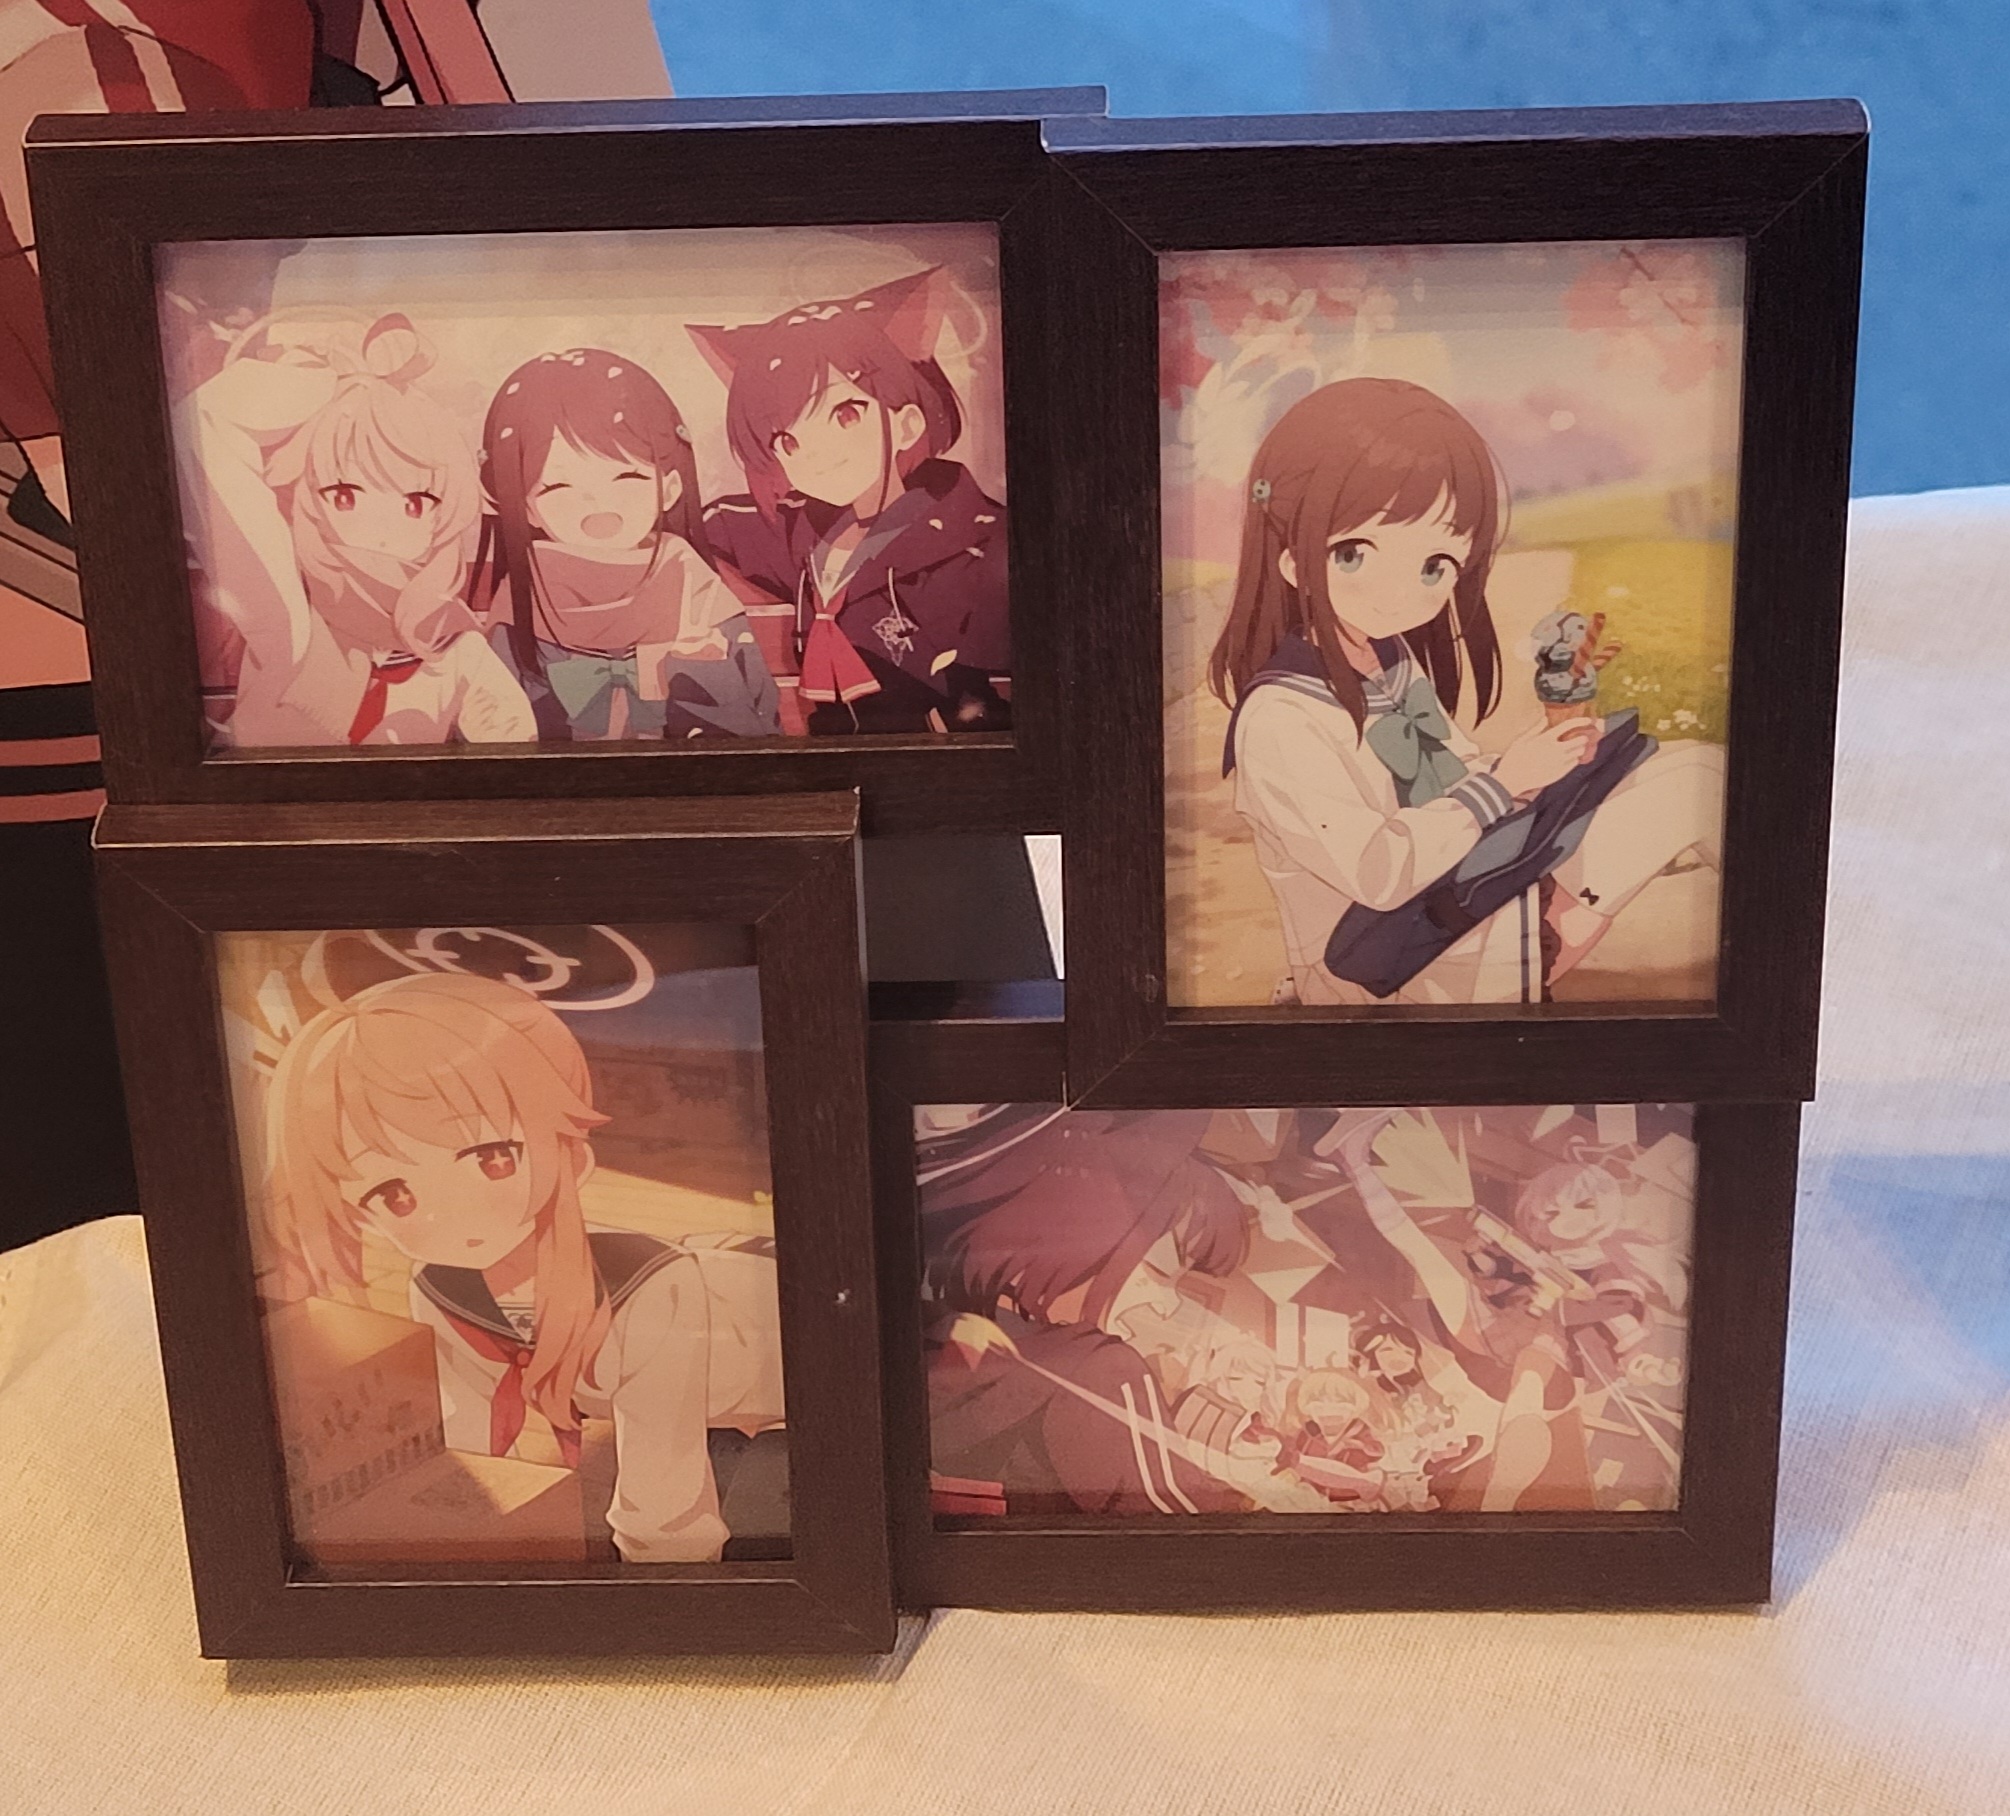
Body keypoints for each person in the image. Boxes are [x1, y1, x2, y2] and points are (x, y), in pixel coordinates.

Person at [1210, 377, 1724, 1006]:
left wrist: (1542, 765)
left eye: (1435, 567)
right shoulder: (1282, 717)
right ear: (1294, 561)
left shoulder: (1388, 661)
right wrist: (1504, 784)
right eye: (1353, 555)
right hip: (1381, 962)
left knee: (1693, 769)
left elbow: (1457, 772)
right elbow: (1378, 872)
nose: (1402, 593)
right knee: (1690, 794)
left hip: (1455, 896)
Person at [260, 967, 784, 1564]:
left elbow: (668, 1510)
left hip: (785, 1353)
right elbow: (470, 1437)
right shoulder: (439, 1286)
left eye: (493, 1158)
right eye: (393, 1194)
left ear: (572, 1156)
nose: (454, 1212)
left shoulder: (651, 1290)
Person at [179, 312, 535, 746]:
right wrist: (327, 383)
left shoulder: (456, 647)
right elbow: (202, 422)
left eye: (415, 504)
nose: (381, 526)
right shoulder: (290, 616)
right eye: (345, 495)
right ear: (309, 500)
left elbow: (519, 757)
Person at [691, 267, 1008, 735]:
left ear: (908, 423)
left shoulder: (977, 542)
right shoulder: (794, 530)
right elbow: (705, 532)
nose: (815, 454)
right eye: (787, 441)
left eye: (845, 415)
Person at [475, 347, 780, 741]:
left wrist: (703, 671)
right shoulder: (520, 602)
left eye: (628, 478)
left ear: (671, 486)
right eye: (558, 486)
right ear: (525, 506)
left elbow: (757, 728)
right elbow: (502, 735)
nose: (597, 503)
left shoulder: (698, 593)